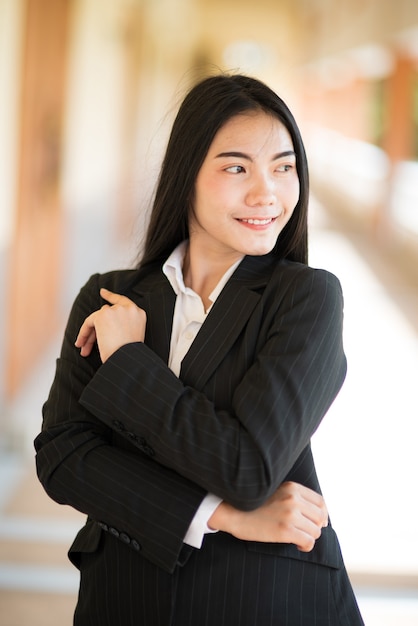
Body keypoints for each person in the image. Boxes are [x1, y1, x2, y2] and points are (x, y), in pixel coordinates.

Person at [35, 73, 364, 625]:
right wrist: (220, 516)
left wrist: (129, 363)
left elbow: (248, 467)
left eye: (284, 168)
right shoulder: (109, 296)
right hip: (122, 598)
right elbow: (63, 458)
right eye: (237, 167)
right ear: (186, 175)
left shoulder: (306, 298)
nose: (267, 193)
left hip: (266, 600)